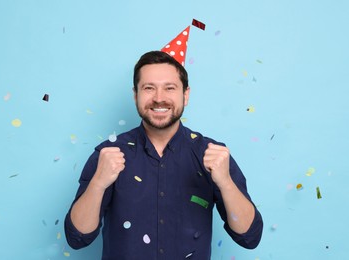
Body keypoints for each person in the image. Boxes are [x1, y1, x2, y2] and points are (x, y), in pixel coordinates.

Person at [64, 50, 263, 259]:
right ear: (135, 95)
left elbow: (249, 237)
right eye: (149, 88)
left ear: (185, 95)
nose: (159, 98)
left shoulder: (213, 154)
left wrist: (225, 183)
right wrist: (98, 183)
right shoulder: (109, 154)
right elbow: (78, 238)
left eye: (170, 88)